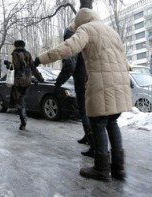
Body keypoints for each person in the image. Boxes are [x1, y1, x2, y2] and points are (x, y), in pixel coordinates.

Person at [34, 8, 132, 182]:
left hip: (102, 83)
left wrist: (40, 59)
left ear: (82, 22)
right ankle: (119, 169)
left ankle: (101, 168)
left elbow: (68, 48)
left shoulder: (86, 29)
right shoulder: (112, 32)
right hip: (120, 83)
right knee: (112, 121)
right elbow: (125, 61)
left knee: (98, 122)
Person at [54, 28, 94, 158]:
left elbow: (70, 65)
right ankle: (87, 136)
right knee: (87, 112)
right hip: (88, 79)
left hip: (82, 81)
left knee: (84, 112)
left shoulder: (73, 44)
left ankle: (92, 143)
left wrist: (58, 82)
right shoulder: (83, 40)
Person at [10, 40, 44, 130]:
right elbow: (33, 67)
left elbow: (15, 66)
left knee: (19, 101)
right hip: (28, 81)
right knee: (22, 99)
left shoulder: (15, 54)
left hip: (19, 81)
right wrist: (40, 78)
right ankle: (23, 119)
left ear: (16, 46)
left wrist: (8, 64)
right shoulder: (28, 54)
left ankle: (23, 121)